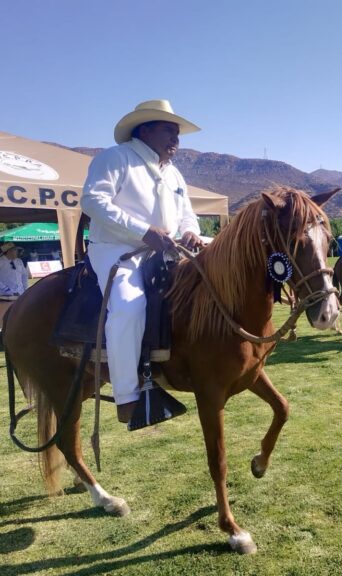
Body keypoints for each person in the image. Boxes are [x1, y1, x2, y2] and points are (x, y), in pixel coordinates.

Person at [81, 99, 204, 426]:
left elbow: (187, 214)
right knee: (129, 306)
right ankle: (127, 397)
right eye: (169, 130)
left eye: (177, 133)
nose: (176, 139)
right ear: (145, 130)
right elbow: (92, 201)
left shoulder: (174, 173)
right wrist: (143, 231)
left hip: (165, 250)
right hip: (117, 250)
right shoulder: (115, 158)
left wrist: (191, 231)